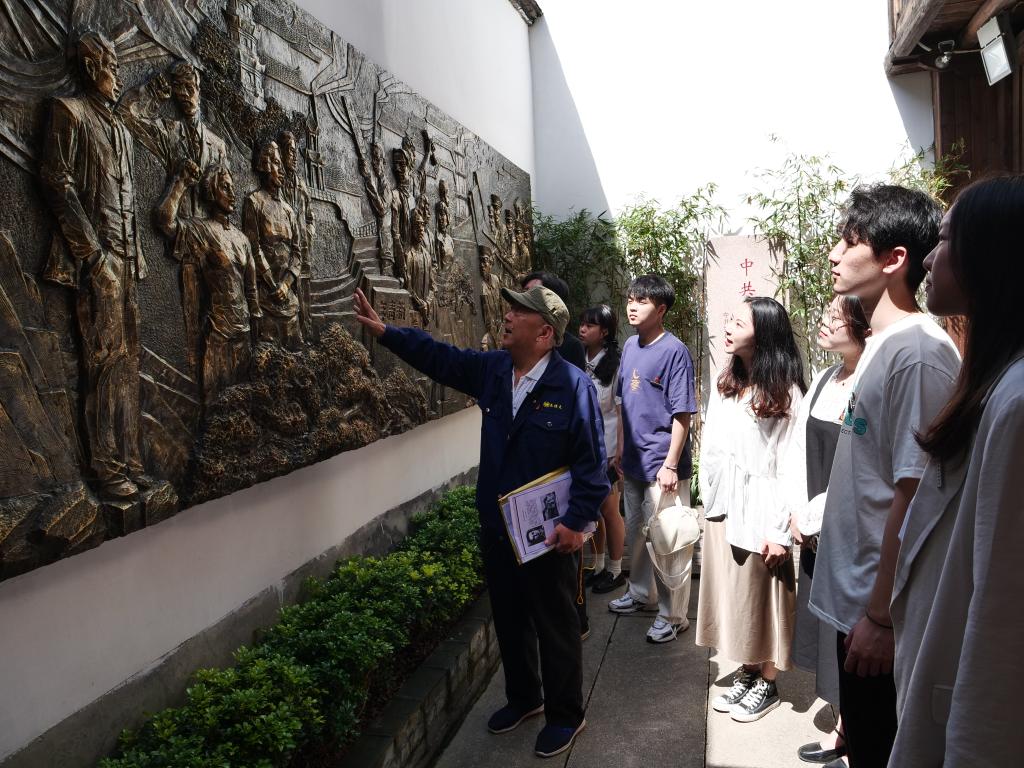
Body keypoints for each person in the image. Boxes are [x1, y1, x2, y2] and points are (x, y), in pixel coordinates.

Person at [352, 284, 608, 759]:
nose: (507, 316)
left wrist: (577, 522)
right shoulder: (493, 370)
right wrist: (388, 333)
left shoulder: (573, 386)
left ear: (546, 332)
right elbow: (440, 358)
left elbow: (593, 465)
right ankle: (525, 698)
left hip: (550, 537)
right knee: (509, 621)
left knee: (556, 627)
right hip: (499, 528)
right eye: (509, 308)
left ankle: (566, 715)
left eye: (519, 312)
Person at [808, 184, 960, 768]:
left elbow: (914, 491)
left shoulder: (918, 353)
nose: (834, 254)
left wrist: (881, 617)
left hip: (883, 614)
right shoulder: (883, 345)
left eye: (850, 242)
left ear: (894, 260)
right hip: (861, 606)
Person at [889, 176, 1024, 767]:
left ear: (988, 258)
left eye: (944, 240)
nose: (931, 257)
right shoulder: (993, 382)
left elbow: (1002, 617)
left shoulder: (1015, 402)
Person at [696, 296, 805, 722]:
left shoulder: (785, 392)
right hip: (728, 505)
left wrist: (779, 530)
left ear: (762, 331)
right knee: (739, 598)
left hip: (764, 509)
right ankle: (748, 667)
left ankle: (769, 681)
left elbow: (792, 465)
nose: (727, 325)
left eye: (737, 320)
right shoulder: (731, 381)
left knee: (769, 598)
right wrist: (711, 498)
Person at [782, 296, 869, 761]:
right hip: (814, 528)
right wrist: (797, 510)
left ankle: (855, 731)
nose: (824, 321)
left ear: (862, 325)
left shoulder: (874, 379)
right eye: (826, 314)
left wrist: (821, 514)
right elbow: (798, 450)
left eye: (836, 317)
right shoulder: (821, 379)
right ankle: (844, 724)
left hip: (851, 530)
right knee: (826, 626)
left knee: (851, 628)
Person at [608, 275, 698, 644]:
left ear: (660, 310)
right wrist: (620, 447)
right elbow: (623, 402)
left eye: (642, 301)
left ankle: (674, 615)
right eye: (630, 298)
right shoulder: (630, 344)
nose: (632, 305)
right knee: (637, 535)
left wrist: (671, 464)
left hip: (663, 465)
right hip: (633, 459)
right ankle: (641, 592)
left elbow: (683, 414)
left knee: (669, 542)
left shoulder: (674, 350)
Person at [578, 305, 626, 594]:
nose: (582, 329)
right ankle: (597, 565)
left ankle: (616, 569)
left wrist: (618, 449)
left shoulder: (615, 365)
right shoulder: (579, 359)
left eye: (590, 325)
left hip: (606, 448)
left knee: (609, 509)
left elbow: (620, 412)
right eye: (582, 324)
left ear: (604, 332)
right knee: (592, 509)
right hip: (584, 446)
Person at [520, 271, 586, 370]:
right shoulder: (516, 337)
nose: (525, 298)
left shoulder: (572, 347)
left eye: (534, 293)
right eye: (525, 292)